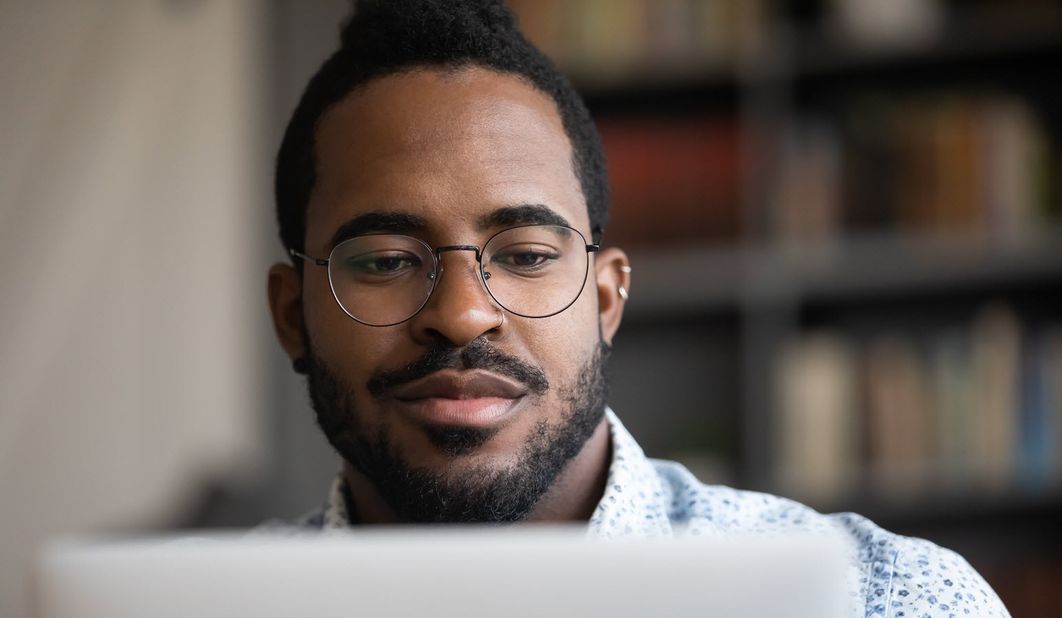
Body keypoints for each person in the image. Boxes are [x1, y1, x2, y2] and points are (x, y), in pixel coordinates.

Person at [265, 1, 1009, 615]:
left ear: (607, 297)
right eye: (387, 261)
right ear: (293, 316)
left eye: (525, 255)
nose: (462, 316)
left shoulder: (888, 601)